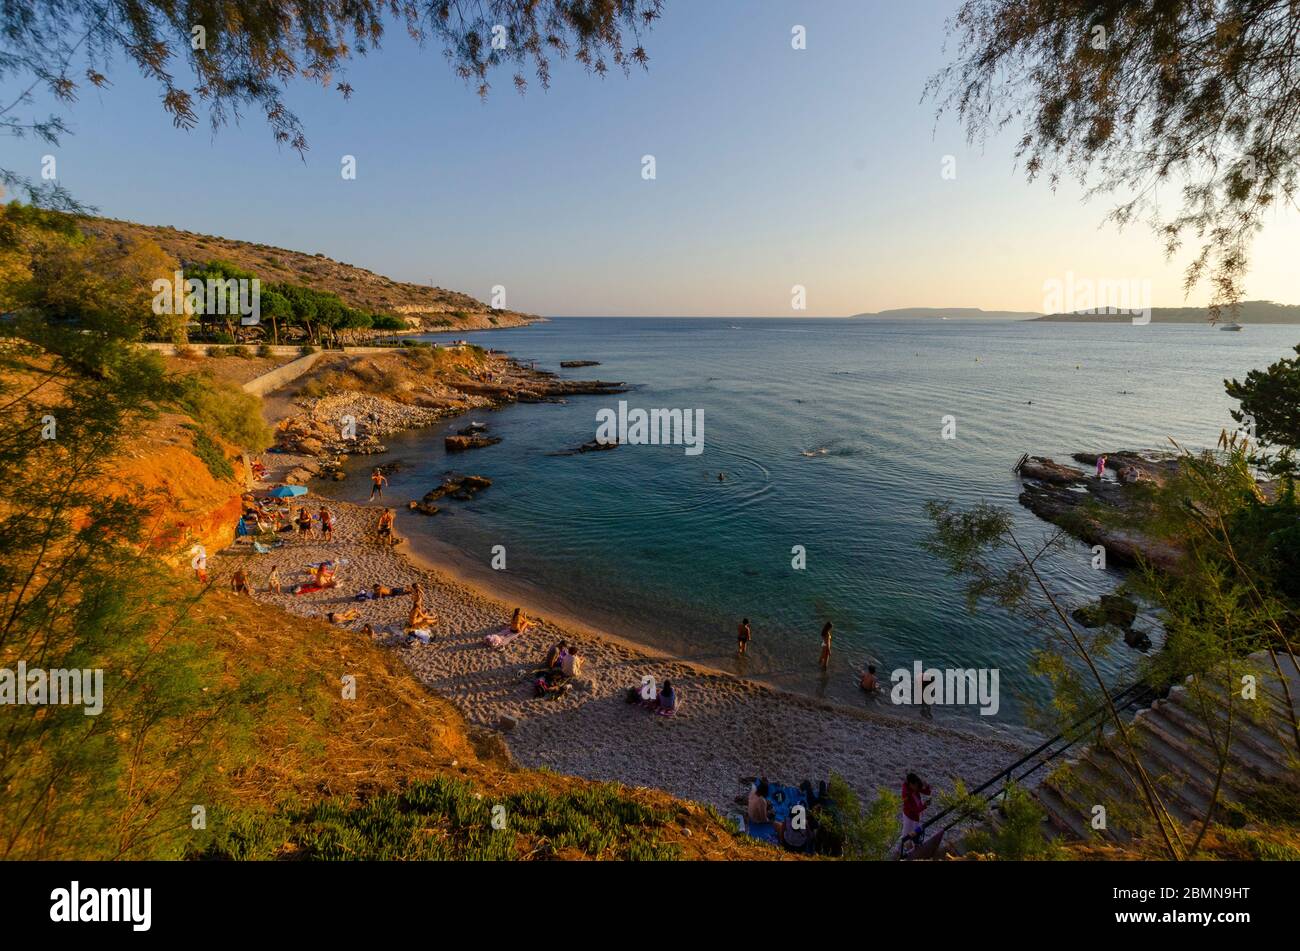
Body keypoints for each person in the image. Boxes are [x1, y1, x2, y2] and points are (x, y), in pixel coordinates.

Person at [901, 773, 932, 841]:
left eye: (917, 785)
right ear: (910, 784)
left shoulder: (915, 786)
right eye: (915, 785)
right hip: (909, 816)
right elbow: (914, 810)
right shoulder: (906, 794)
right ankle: (898, 850)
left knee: (914, 833)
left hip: (917, 815)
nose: (916, 787)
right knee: (905, 835)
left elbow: (928, 792)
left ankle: (912, 847)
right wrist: (925, 805)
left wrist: (927, 786)